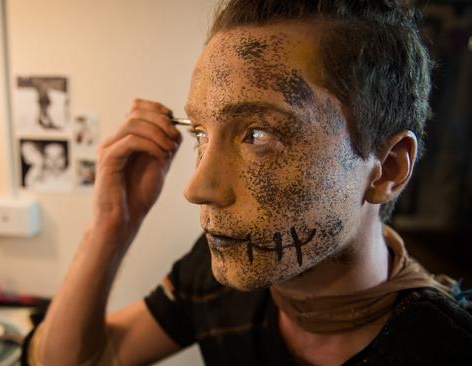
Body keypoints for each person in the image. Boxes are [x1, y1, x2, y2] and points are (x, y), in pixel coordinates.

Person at [23, 1, 472, 365]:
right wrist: (109, 226)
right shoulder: (216, 277)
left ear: (389, 167)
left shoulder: (444, 347)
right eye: (200, 131)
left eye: (259, 134)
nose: (198, 188)